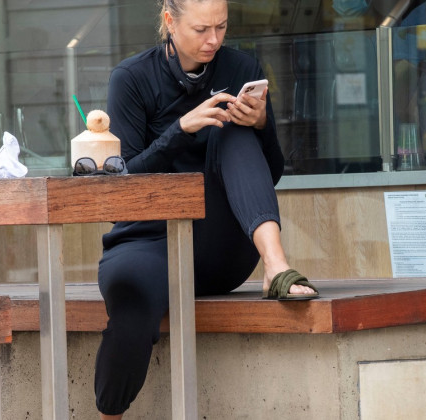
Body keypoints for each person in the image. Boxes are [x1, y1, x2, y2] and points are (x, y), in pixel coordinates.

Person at [93, 0, 319, 417]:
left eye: (221, 27)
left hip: (219, 249)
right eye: (201, 30)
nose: (213, 40)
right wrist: (180, 129)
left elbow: (270, 173)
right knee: (130, 310)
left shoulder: (240, 67)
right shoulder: (131, 78)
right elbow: (120, 189)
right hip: (148, 242)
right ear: (169, 21)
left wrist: (261, 126)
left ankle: (276, 266)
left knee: (233, 132)